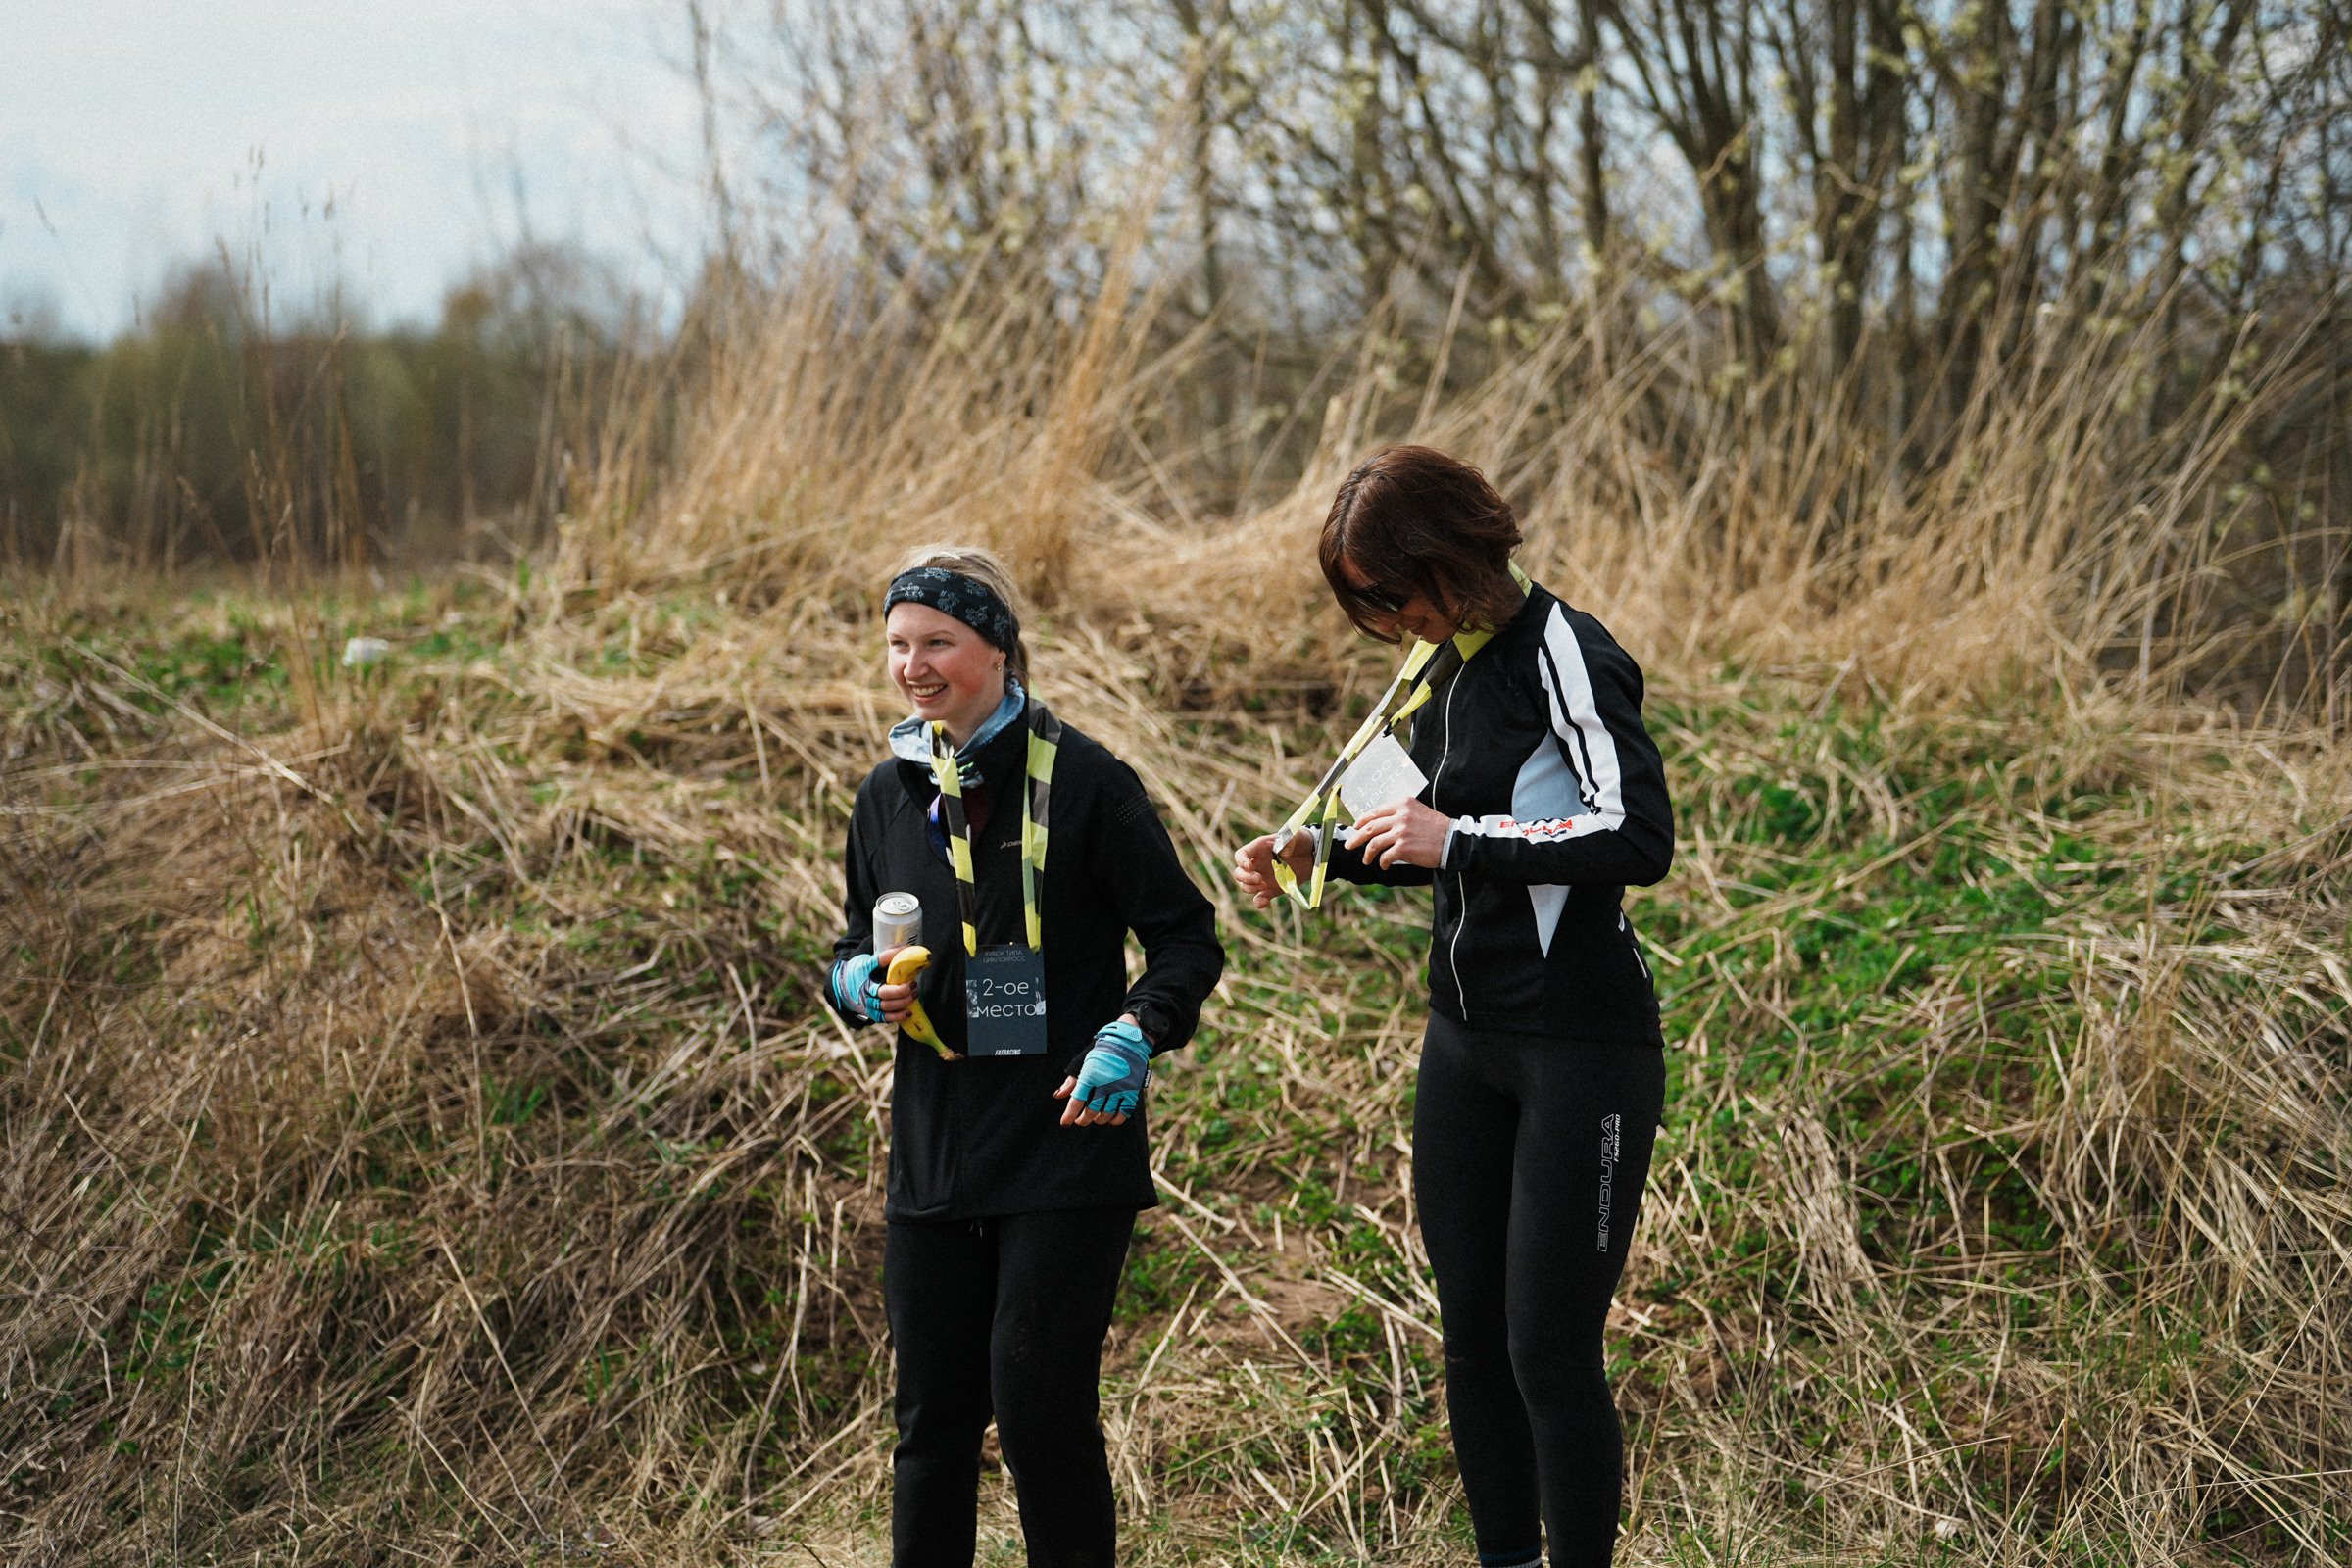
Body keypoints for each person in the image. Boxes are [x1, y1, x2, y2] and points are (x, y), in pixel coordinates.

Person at [1232, 448, 1675, 1568]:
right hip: (1463, 1044)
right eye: (1365, 602)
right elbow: (1436, 839)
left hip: (1581, 1045)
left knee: (1549, 1351)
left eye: (1390, 591)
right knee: (1472, 1343)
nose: (1386, 620)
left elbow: (1638, 835)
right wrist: (1319, 852)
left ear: (1451, 554)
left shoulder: (1567, 650)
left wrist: (1454, 838)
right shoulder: (1439, 669)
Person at [823, 545, 1224, 1568]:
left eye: (939, 643)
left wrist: (1134, 1033)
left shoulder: (1085, 780)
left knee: (1038, 1405)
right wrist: (857, 986)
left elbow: (1185, 936)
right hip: (936, 1143)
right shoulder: (886, 792)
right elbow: (844, 944)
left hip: (1063, 1131)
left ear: (998, 647)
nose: (915, 666)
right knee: (931, 1427)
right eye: (899, 645)